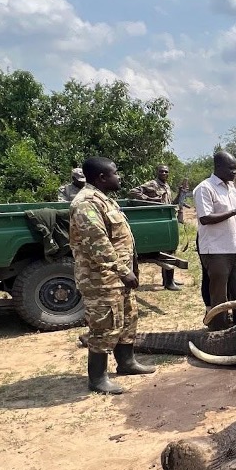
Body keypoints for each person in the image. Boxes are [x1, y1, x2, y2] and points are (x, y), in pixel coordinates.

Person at [69, 156, 155, 394]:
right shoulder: (86, 203)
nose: (119, 177)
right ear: (102, 177)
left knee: (127, 320)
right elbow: (97, 243)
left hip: (118, 277)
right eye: (115, 173)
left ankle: (127, 363)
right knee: (104, 326)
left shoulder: (104, 200)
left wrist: (129, 269)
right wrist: (122, 270)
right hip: (101, 279)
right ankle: (97, 379)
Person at [194, 150, 236, 330]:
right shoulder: (205, 188)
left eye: (235, 169)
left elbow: (233, 218)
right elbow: (206, 218)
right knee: (219, 294)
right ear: (218, 167)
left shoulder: (230, 187)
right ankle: (219, 330)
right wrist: (235, 211)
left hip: (235, 249)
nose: (234, 173)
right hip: (216, 251)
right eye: (231, 169)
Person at [129, 164, 181, 290]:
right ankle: (169, 282)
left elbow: (171, 203)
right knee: (167, 251)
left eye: (166, 172)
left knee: (170, 251)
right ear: (157, 172)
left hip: (167, 217)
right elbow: (133, 192)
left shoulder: (166, 186)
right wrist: (149, 200)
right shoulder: (152, 184)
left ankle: (169, 280)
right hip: (159, 217)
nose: (164, 173)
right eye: (161, 171)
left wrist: (180, 193)